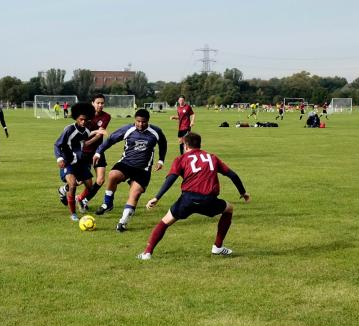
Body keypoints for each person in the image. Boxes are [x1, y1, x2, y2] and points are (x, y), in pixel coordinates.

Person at [138, 132, 249, 260]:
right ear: (199, 145)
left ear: (185, 146)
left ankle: (147, 253)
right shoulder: (212, 157)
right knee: (229, 208)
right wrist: (243, 192)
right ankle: (217, 247)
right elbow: (232, 175)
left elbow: (171, 179)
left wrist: (157, 197)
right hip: (209, 200)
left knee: (165, 222)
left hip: (188, 200)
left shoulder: (180, 159)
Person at [91, 108, 168, 232]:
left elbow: (163, 143)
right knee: (112, 175)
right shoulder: (128, 129)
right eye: (138, 121)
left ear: (148, 121)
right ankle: (108, 203)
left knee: (135, 194)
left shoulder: (156, 132)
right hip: (126, 164)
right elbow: (111, 140)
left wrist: (161, 160)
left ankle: (123, 222)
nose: (140, 124)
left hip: (143, 169)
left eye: (143, 122)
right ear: (135, 120)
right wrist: (98, 152)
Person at [53, 102, 95, 221]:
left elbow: (82, 145)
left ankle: (65, 191)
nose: (83, 122)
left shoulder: (86, 131)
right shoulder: (69, 130)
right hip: (68, 162)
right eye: (81, 119)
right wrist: (59, 158)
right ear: (76, 118)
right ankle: (73, 214)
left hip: (80, 163)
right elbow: (57, 144)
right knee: (73, 185)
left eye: (85, 120)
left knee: (90, 186)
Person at [77, 93, 110, 213]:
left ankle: (82, 199)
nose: (100, 105)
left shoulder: (106, 117)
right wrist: (84, 144)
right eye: (98, 103)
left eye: (102, 103)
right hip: (84, 153)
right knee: (80, 181)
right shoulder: (85, 116)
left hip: (98, 151)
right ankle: (65, 190)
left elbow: (99, 134)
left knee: (100, 180)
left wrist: (88, 142)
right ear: (93, 103)